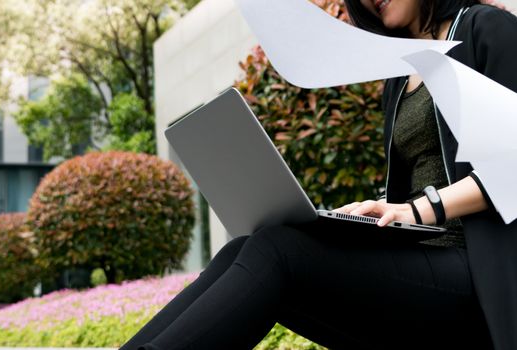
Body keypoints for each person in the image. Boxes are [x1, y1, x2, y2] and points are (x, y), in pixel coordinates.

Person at [119, 1, 517, 349]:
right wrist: (372, 214)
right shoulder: (400, 75)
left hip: (480, 276)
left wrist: (417, 211)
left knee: (278, 250)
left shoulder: (486, 28)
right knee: (241, 248)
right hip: (423, 264)